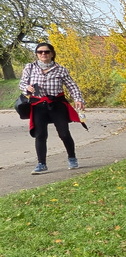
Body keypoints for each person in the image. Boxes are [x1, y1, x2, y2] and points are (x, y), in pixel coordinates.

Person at [19, 41, 85, 175]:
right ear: (37, 54)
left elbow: (72, 85)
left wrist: (78, 99)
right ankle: (41, 164)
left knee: (64, 133)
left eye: (47, 52)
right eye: (40, 52)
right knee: (40, 135)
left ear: (52, 54)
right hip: (38, 105)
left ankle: (72, 158)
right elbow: (22, 82)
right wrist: (27, 87)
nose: (43, 54)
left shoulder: (60, 69)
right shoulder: (30, 67)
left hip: (57, 104)